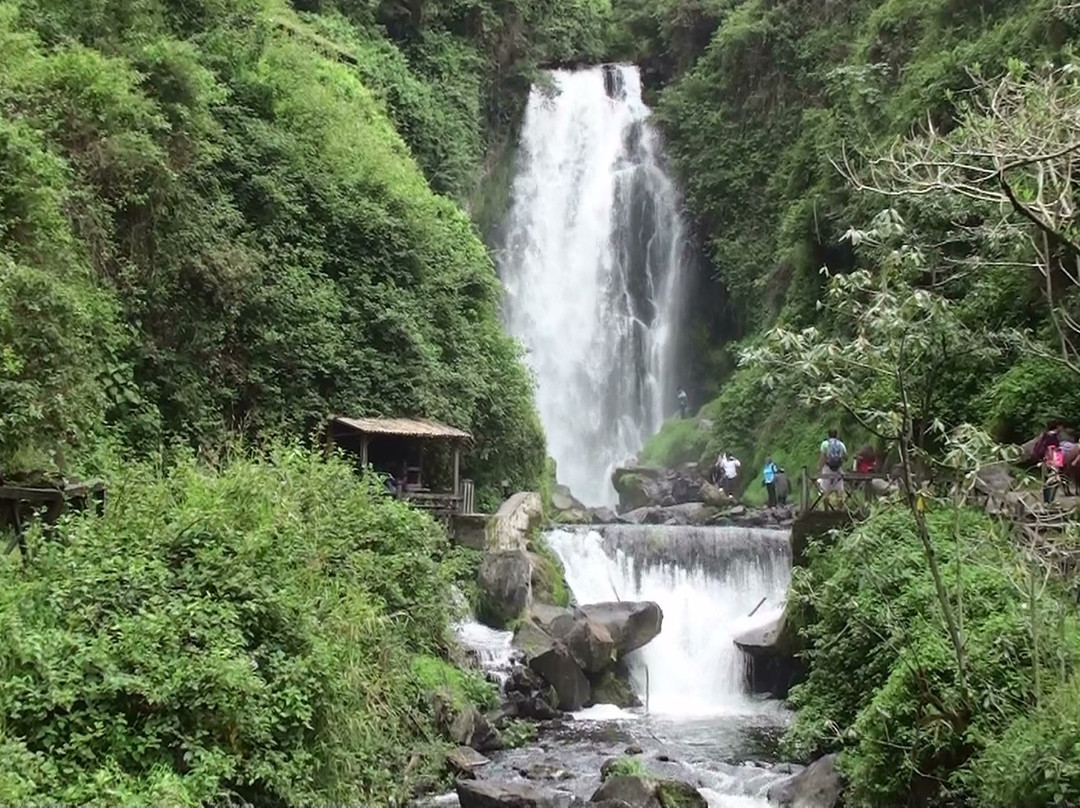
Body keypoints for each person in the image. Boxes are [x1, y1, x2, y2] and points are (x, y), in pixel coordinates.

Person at [818, 429, 847, 508]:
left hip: (827, 469)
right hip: (838, 469)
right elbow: (845, 457)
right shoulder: (841, 444)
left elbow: (822, 457)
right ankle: (839, 510)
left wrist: (820, 468)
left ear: (828, 435)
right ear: (836, 435)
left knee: (825, 491)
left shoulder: (825, 444)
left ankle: (826, 509)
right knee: (840, 490)